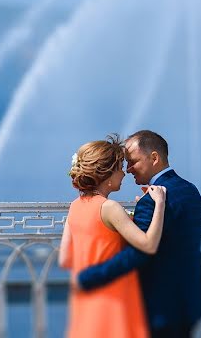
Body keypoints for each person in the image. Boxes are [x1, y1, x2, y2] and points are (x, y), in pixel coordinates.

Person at [76, 130, 201, 338]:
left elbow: (139, 253)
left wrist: (90, 277)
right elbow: (178, 242)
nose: (128, 170)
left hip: (159, 306)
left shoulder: (153, 200)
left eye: (133, 162)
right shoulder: (190, 190)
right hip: (189, 301)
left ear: (154, 158)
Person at [59, 134, 167, 338]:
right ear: (107, 175)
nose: (124, 173)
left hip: (85, 297)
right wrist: (159, 204)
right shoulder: (110, 208)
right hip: (113, 296)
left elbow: (65, 258)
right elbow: (149, 245)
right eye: (119, 167)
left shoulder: (75, 207)